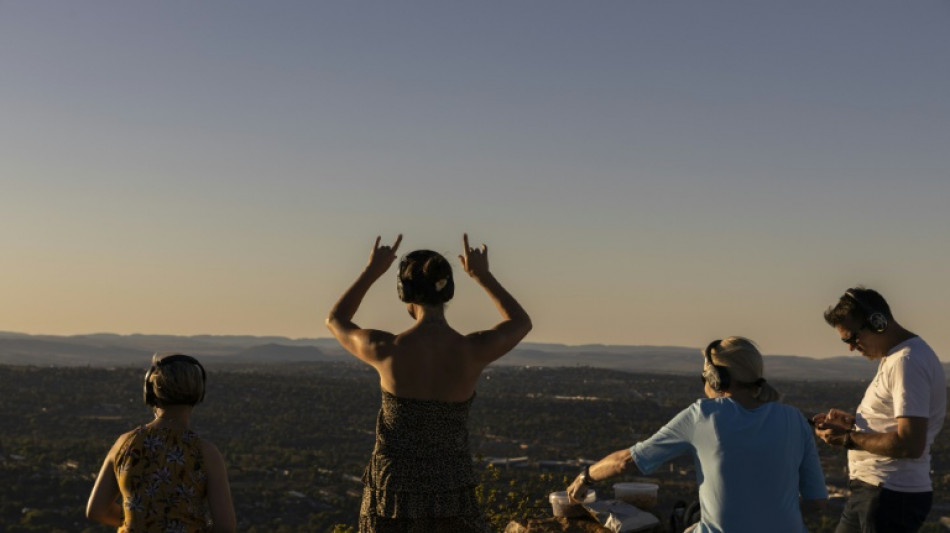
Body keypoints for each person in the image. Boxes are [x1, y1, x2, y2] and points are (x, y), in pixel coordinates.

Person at [326, 234, 531, 533]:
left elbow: (336, 319)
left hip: (393, 492)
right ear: (446, 292)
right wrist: (483, 276)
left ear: (405, 293)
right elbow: (521, 322)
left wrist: (373, 270)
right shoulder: (472, 351)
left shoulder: (386, 349)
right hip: (451, 488)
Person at [567, 337, 828, 533]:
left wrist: (585, 477)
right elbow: (816, 501)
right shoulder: (795, 418)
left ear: (715, 379)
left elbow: (626, 461)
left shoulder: (704, 414)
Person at [814, 287, 946, 533]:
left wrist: (847, 438)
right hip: (875, 491)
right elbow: (895, 426)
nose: (852, 348)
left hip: (888, 494)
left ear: (878, 322)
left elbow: (910, 443)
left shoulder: (907, 362)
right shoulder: (899, 358)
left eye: (852, 338)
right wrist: (855, 425)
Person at [86, 353, 236, 533]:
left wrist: (142, 522)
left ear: (149, 393)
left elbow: (96, 510)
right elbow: (225, 527)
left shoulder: (124, 444)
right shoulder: (205, 453)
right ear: (199, 394)